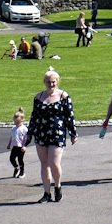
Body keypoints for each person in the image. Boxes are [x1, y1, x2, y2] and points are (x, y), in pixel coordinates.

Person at [26, 65, 77, 202]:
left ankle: (58, 185)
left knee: (54, 163)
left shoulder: (63, 96)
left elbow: (69, 116)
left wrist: (72, 133)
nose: (51, 84)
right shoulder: (39, 97)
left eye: (54, 81)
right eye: (48, 81)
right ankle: (46, 193)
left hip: (57, 133)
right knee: (44, 164)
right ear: (44, 82)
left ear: (57, 82)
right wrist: (29, 134)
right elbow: (34, 116)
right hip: (41, 133)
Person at [7, 109, 29, 178]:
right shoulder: (14, 128)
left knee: (20, 159)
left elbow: (26, 138)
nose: (16, 123)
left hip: (21, 147)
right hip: (15, 146)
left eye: (18, 122)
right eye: (15, 122)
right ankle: (16, 168)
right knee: (11, 158)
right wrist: (9, 144)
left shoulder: (24, 129)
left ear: (22, 120)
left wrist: (24, 146)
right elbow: (12, 136)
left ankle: (22, 172)